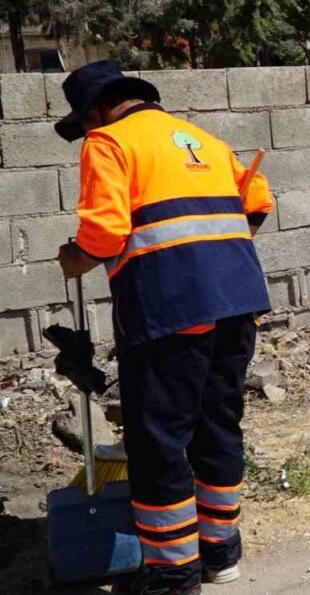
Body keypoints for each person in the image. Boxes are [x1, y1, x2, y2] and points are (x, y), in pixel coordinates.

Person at [54, 61, 273, 595]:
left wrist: (76, 258)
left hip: (170, 310)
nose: (85, 133)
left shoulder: (108, 142)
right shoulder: (204, 140)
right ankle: (220, 553)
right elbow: (258, 203)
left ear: (96, 111)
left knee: (159, 442)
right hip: (238, 302)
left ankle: (173, 575)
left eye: (83, 123)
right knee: (217, 425)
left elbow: (105, 232)